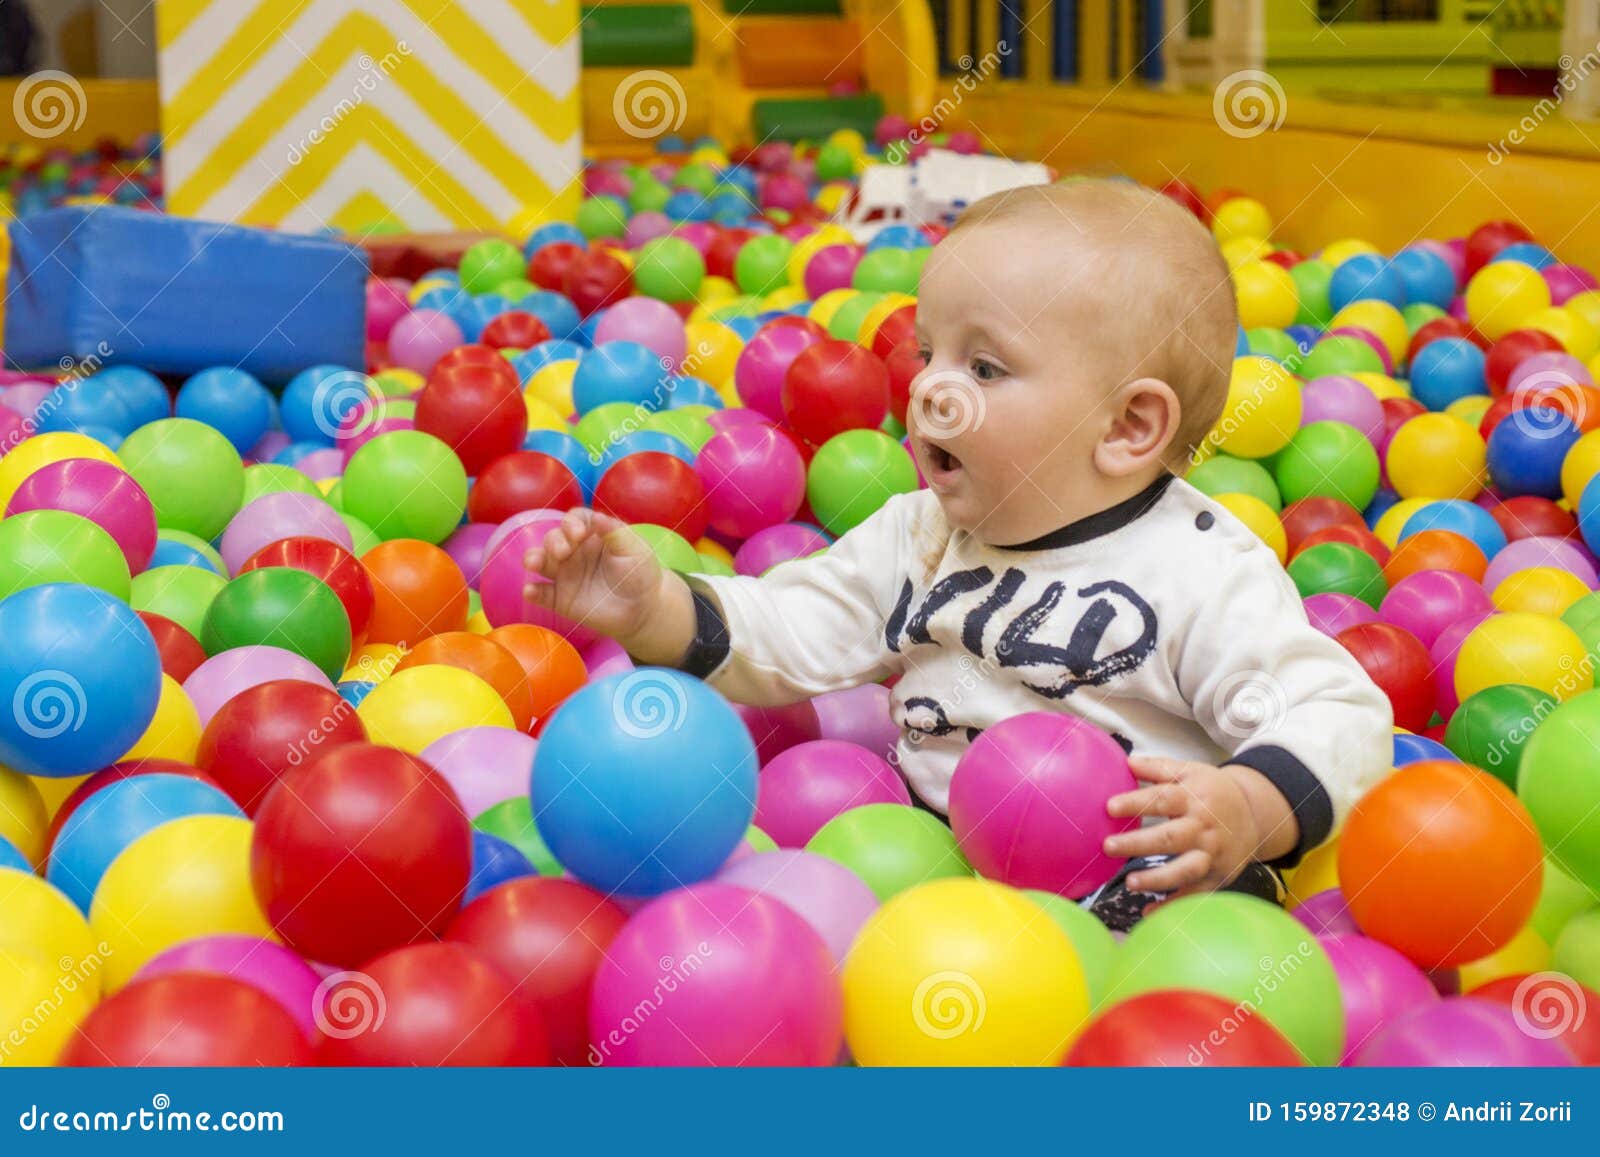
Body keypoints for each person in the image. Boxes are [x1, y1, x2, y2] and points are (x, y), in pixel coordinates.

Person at [525, 179, 1393, 928]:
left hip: (1146, 904)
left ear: (1129, 427)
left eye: (985, 368)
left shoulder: (1202, 571)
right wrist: (654, 609)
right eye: (931, 353)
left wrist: (1245, 806)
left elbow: (1337, 714)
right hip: (932, 886)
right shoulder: (920, 536)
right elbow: (790, 624)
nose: (930, 388)